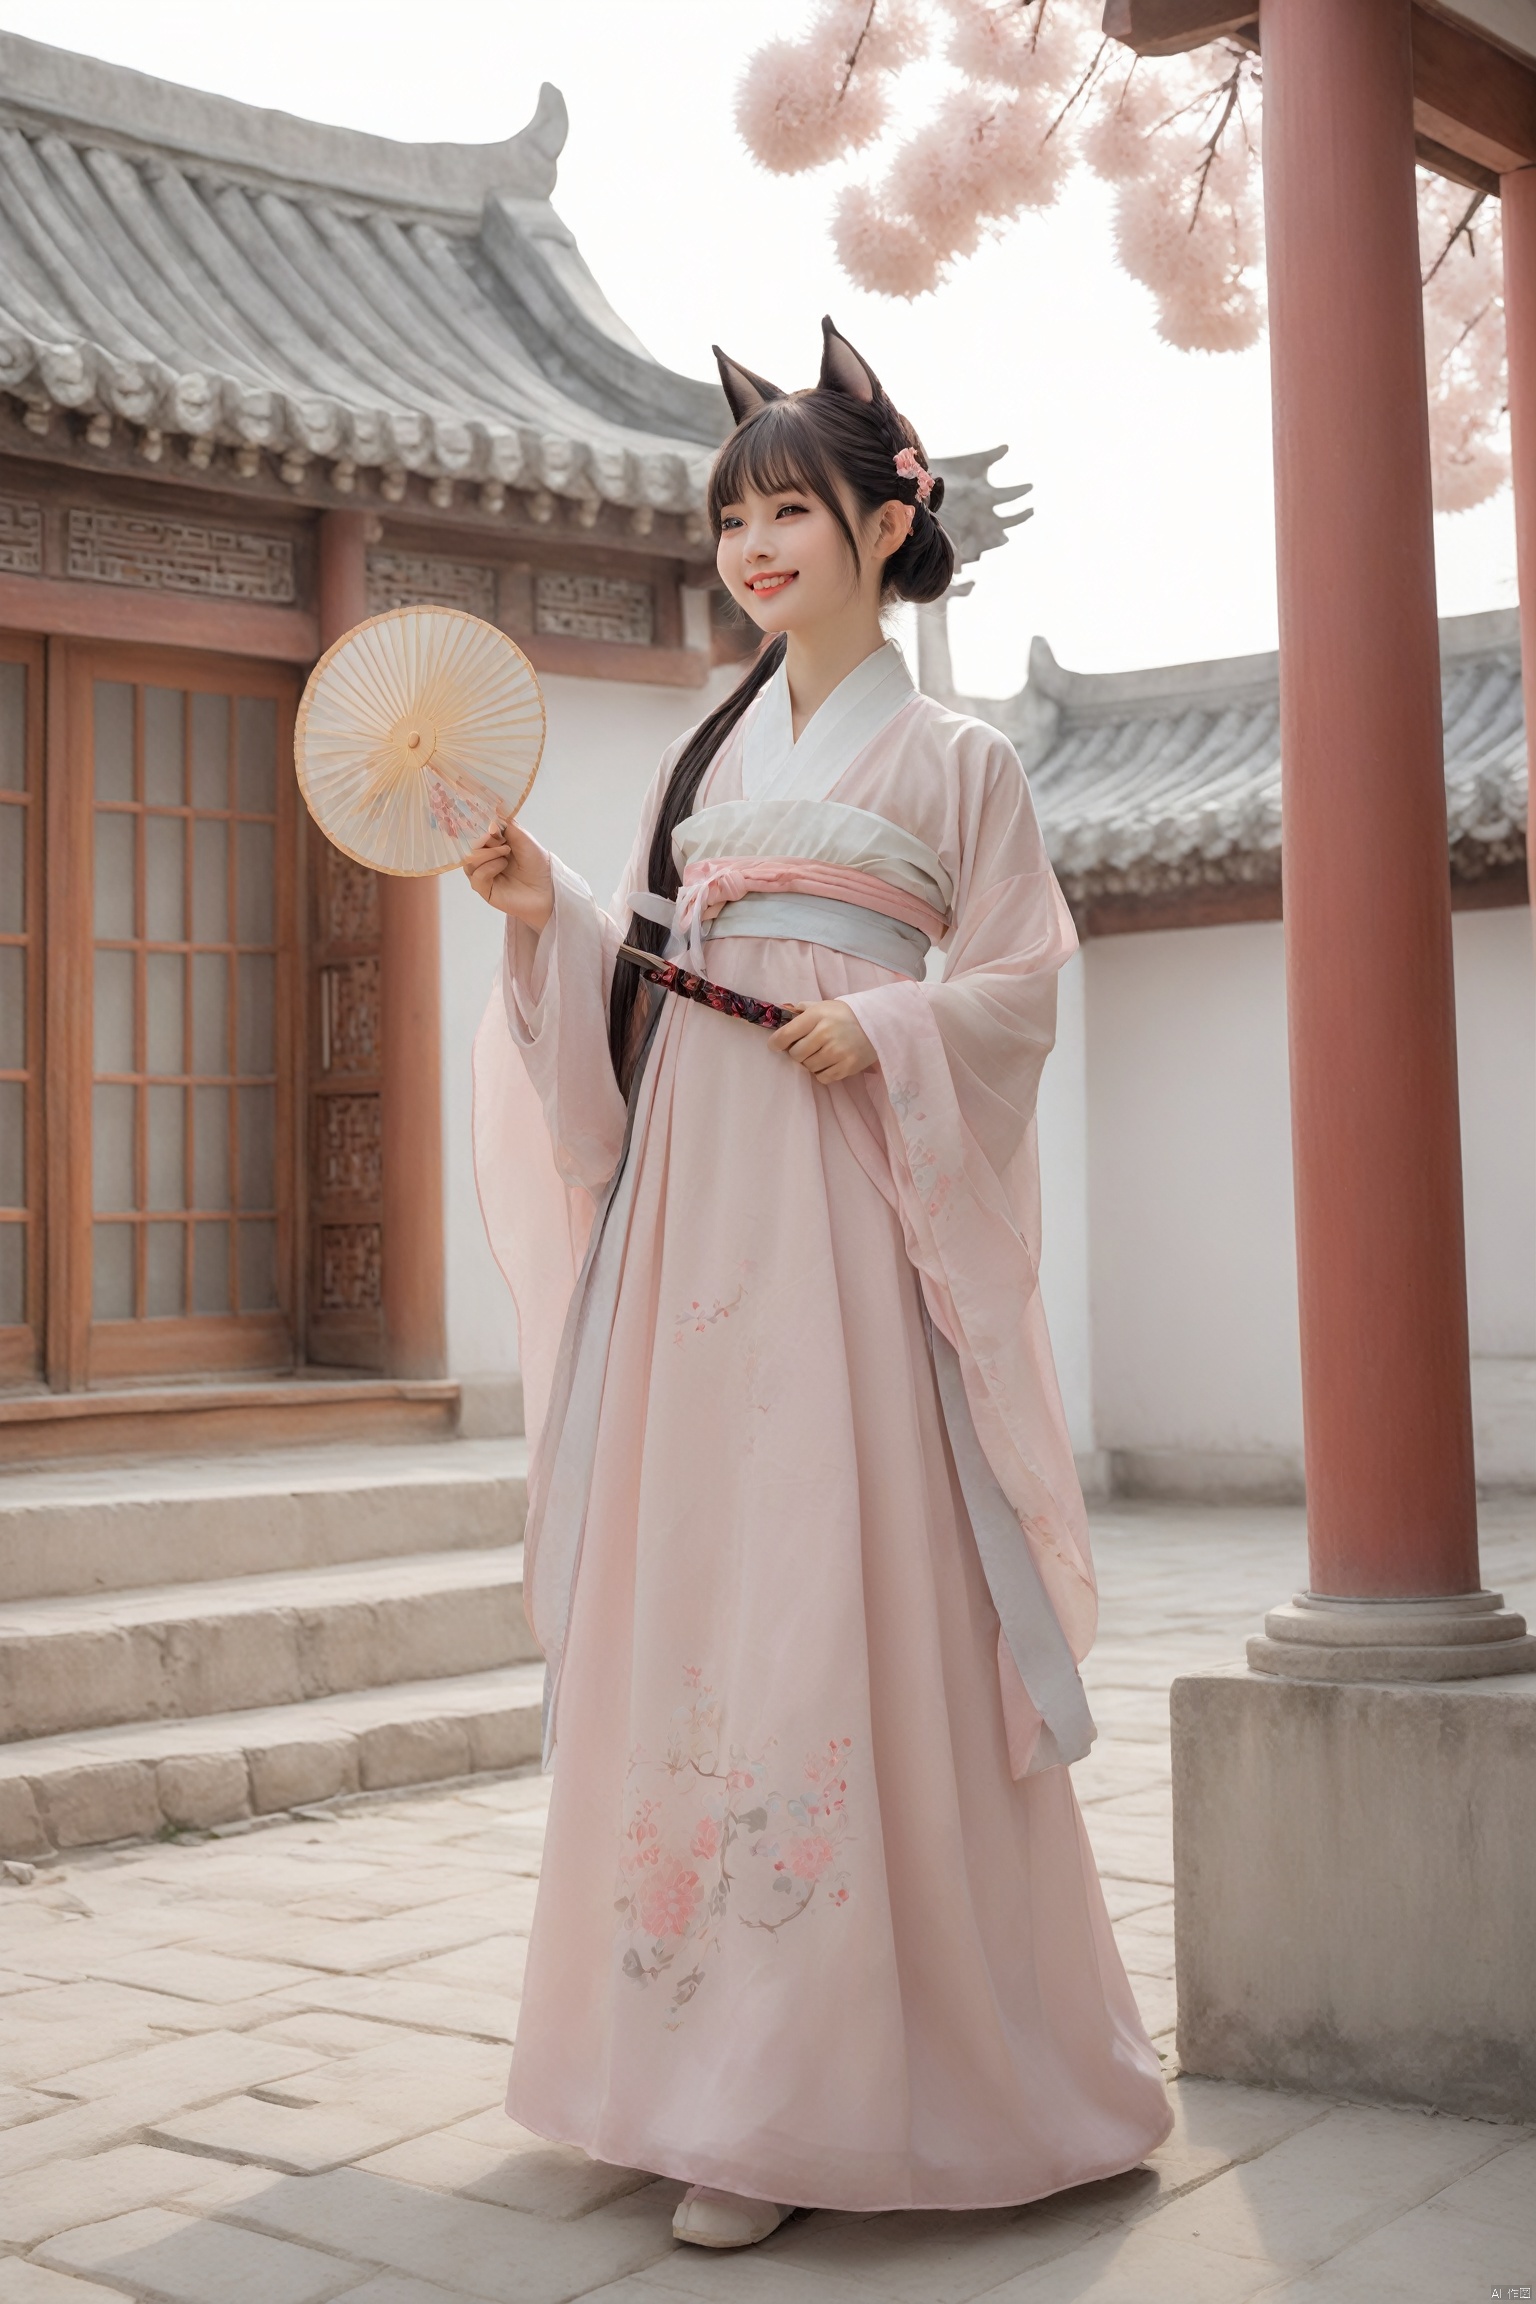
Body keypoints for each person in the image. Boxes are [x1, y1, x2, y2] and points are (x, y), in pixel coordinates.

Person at [465, 318, 1171, 2251]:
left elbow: (1025, 982)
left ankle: (800, 2108)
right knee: (696, 1581)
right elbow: (652, 983)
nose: (756, 544)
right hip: (705, 1210)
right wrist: (557, 919)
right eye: (734, 515)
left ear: (886, 522)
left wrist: (905, 1035)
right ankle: (663, 2059)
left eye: (790, 507)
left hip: (858, 1223)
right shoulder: (708, 753)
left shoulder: (960, 764)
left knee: (832, 1590)